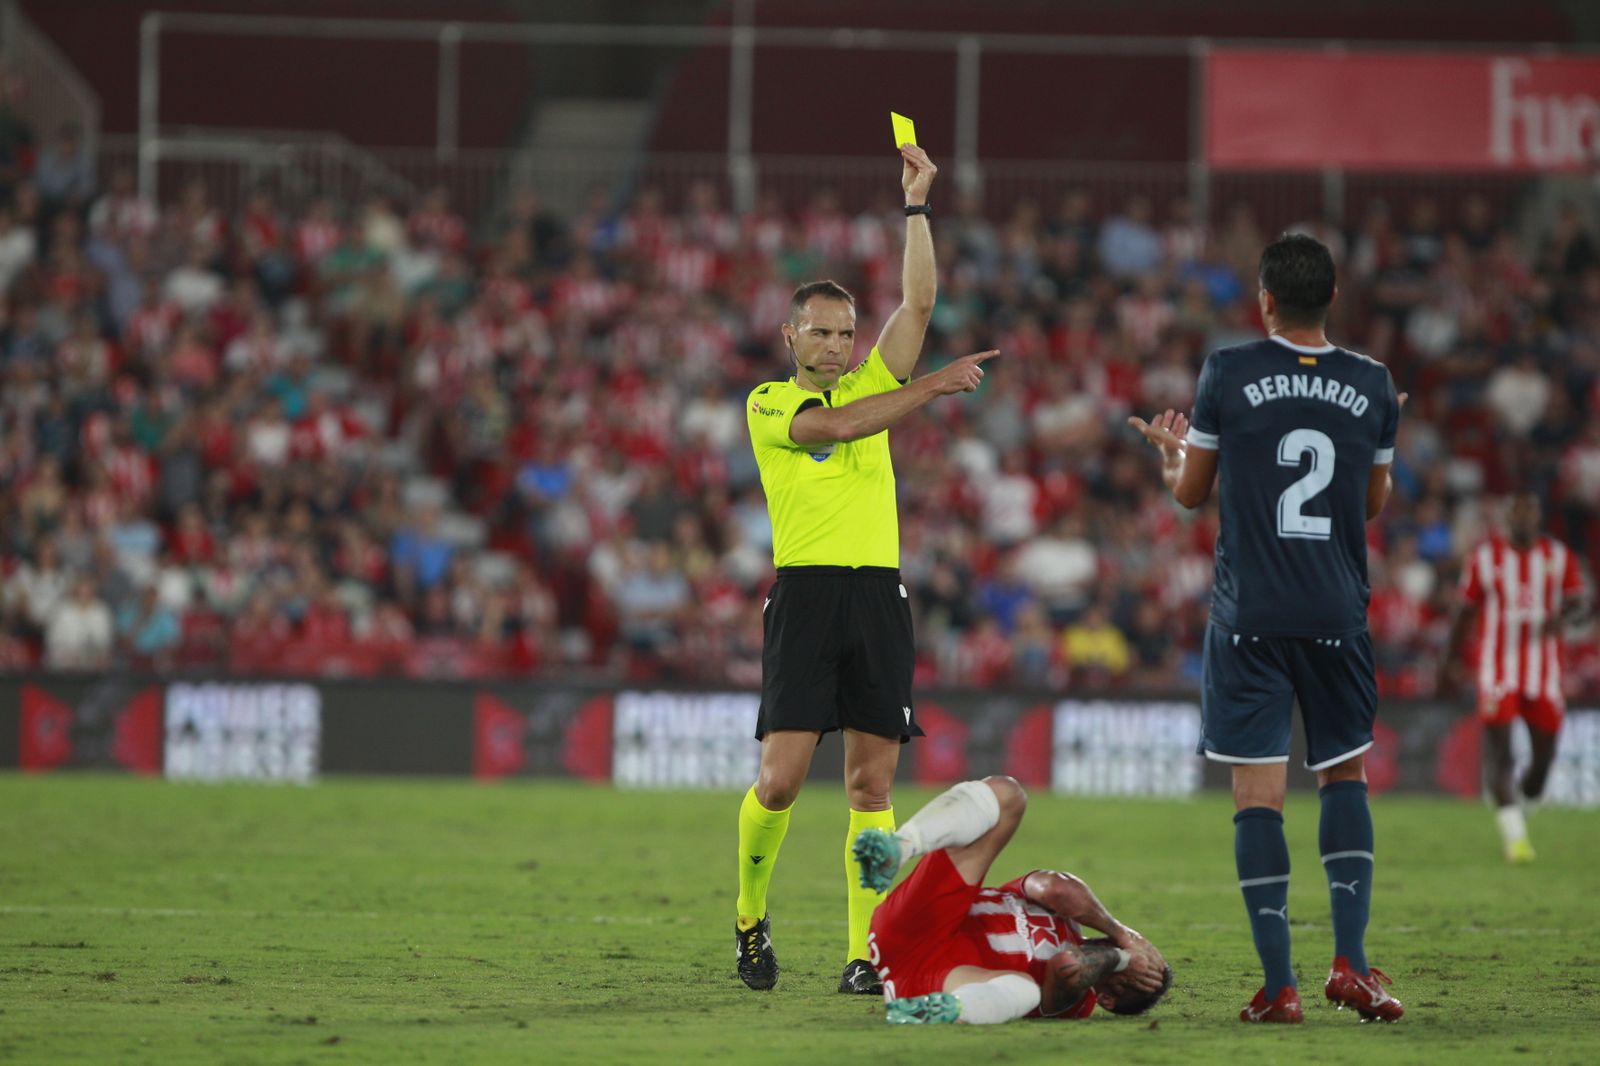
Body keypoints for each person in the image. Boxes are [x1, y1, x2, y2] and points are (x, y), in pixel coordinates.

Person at [735, 142, 998, 994]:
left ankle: (862, 953)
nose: (839, 344)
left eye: (848, 333)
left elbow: (920, 297)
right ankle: (749, 920)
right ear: (790, 334)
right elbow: (836, 431)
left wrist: (916, 206)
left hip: (877, 595)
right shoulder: (772, 402)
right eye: (822, 331)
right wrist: (931, 388)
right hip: (807, 595)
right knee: (778, 784)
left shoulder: (872, 378)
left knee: (870, 783)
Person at [1128, 233, 1406, 1023]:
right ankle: (1350, 965)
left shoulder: (1230, 370)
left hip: (1249, 613)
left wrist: (1170, 457)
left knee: (1260, 797)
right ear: (1335, 299)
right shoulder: (1374, 383)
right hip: (1334, 612)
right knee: (1344, 778)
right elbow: (1371, 505)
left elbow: (1190, 494)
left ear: (1266, 301)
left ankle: (1280, 986)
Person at [850, 776, 1172, 1024]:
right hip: (924, 920)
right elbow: (1052, 887)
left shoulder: (1079, 1002)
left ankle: (933, 1012)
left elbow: (1069, 965)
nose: (1128, 953)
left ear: (1108, 999)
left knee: (1024, 990)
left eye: (1132, 980)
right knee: (1008, 795)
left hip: (936, 978)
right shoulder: (1069, 915)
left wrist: (1123, 960)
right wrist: (1121, 934)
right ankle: (899, 847)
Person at [1439, 490, 1586, 862]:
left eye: (1528, 512)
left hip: (1544, 671)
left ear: (1537, 518)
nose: (1521, 519)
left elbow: (1581, 603)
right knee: (1500, 752)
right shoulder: (1485, 559)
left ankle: (1524, 799)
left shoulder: (1558, 557)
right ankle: (1515, 838)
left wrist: (1566, 615)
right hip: (1497, 667)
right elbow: (1465, 613)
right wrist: (1448, 662)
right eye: (1515, 513)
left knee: (1542, 764)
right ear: (1506, 519)